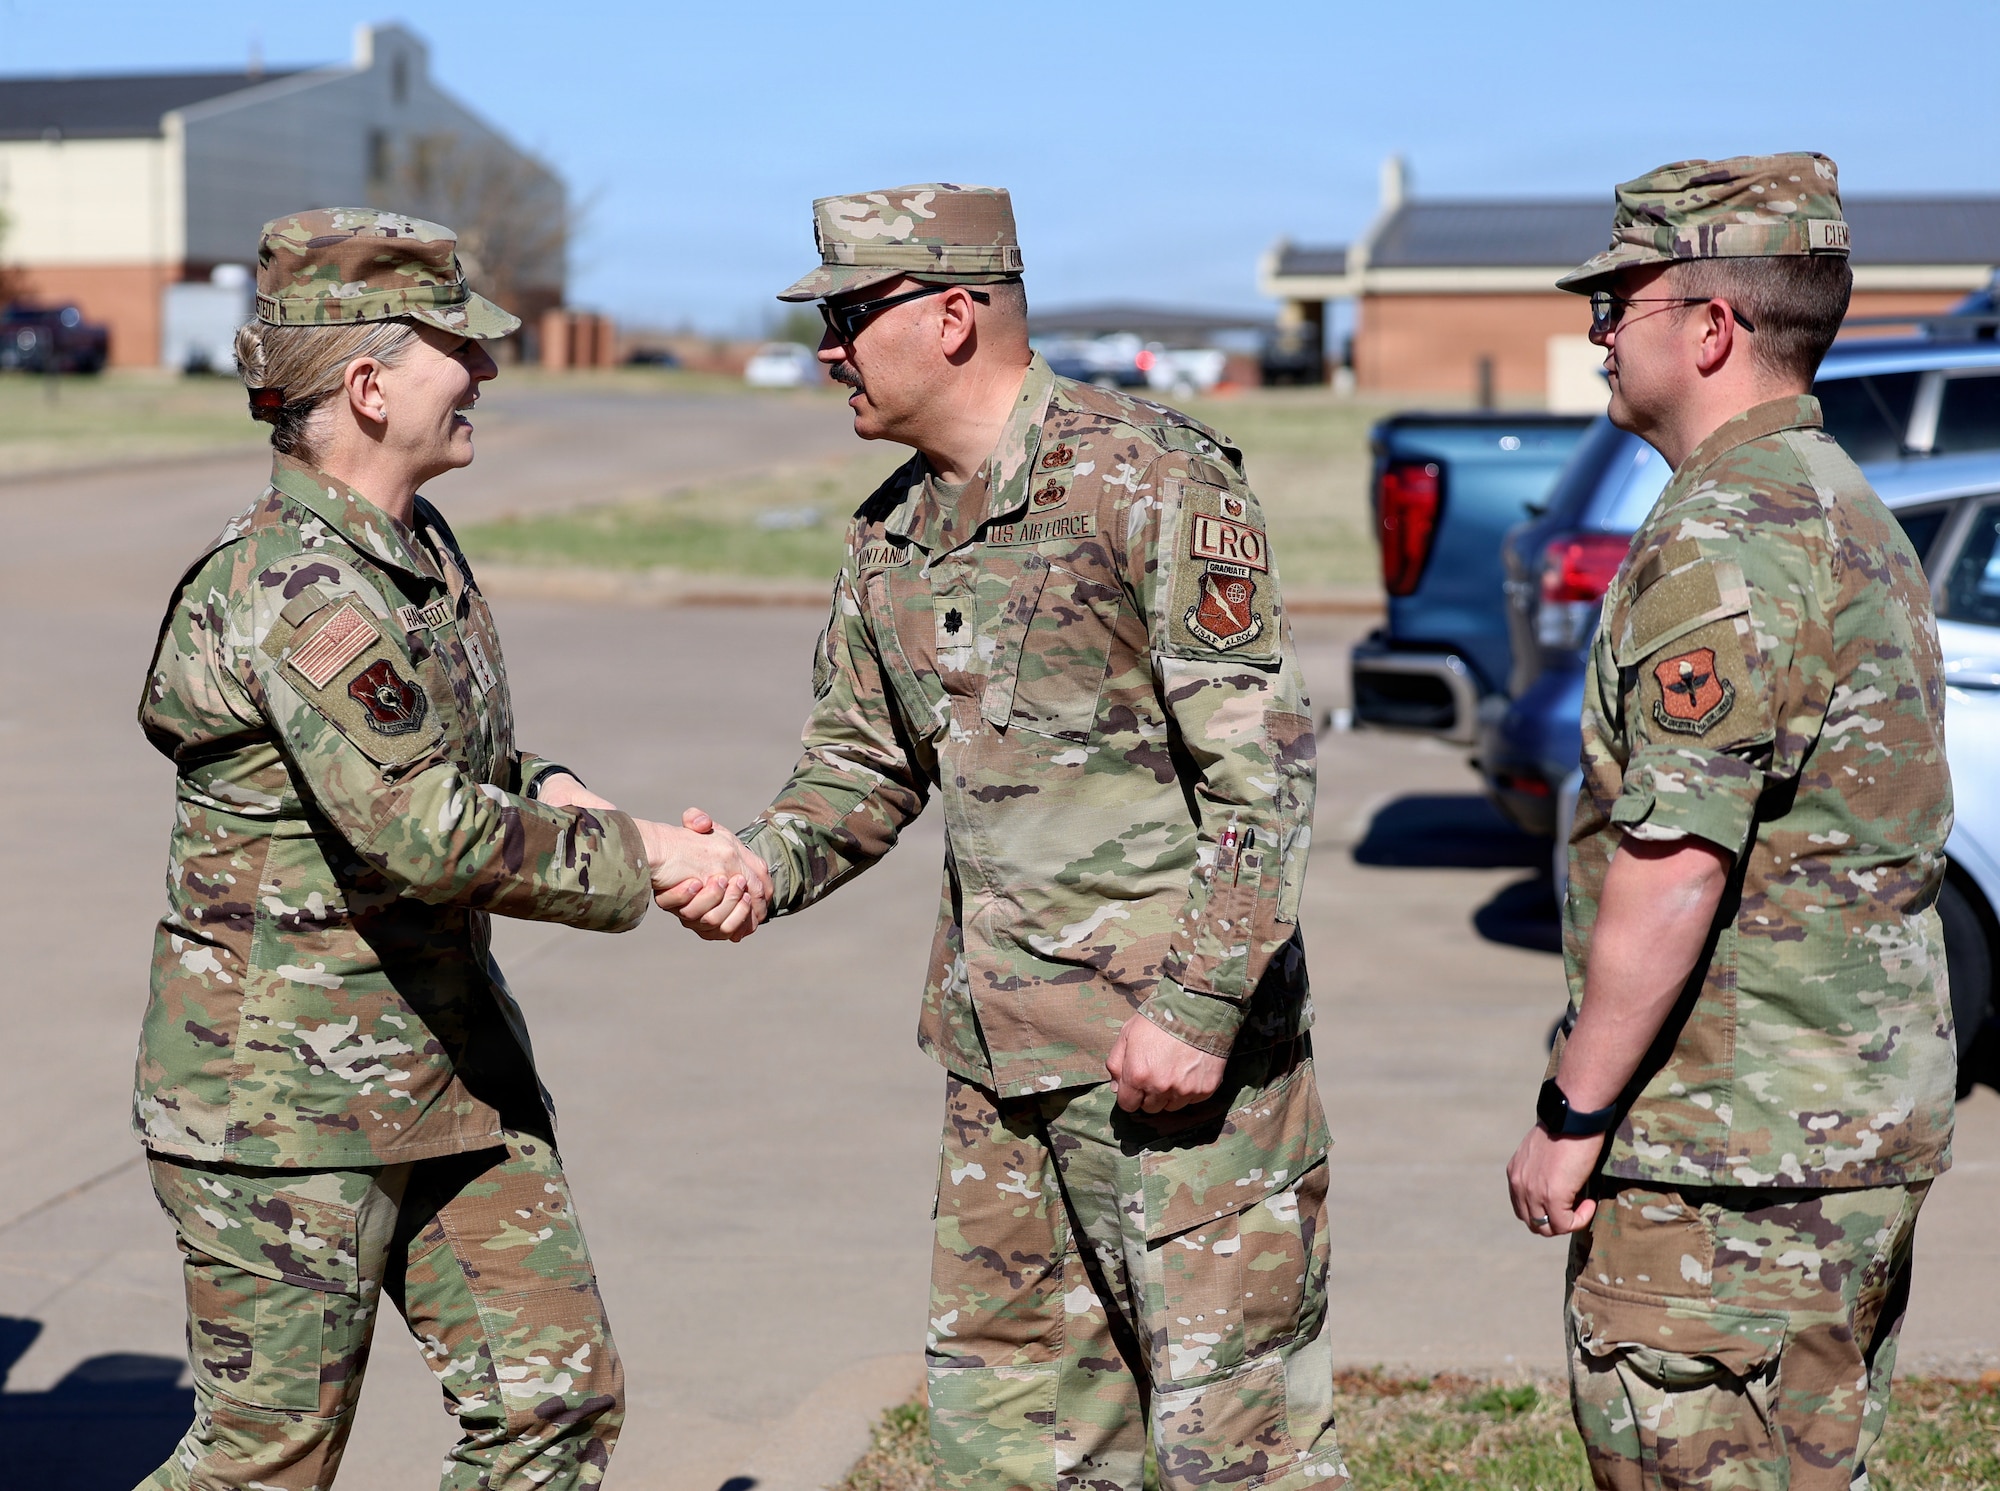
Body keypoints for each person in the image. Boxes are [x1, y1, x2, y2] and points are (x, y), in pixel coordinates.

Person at [661, 184, 1346, 1491]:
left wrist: (1200, 1011)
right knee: (1015, 1444)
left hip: (1175, 1081)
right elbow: (860, 763)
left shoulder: (1149, 478)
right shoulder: (893, 533)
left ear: (955, 315)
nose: (828, 349)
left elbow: (1265, 774)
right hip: (1001, 1084)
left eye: (853, 315)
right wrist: (759, 863)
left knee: (1237, 1450)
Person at [133, 208, 758, 1491]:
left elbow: (448, 761)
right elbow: (422, 829)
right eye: (451, 350)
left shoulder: (408, 546)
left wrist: (559, 786)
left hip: (446, 1072)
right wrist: (649, 857)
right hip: (288, 1109)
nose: (482, 373)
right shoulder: (298, 587)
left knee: (553, 1406)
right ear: (366, 387)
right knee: (266, 1463)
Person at [1504, 155, 1955, 1490]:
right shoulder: (1840, 503)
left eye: (1619, 298)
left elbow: (1679, 863)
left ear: (1709, 327)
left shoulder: (1728, 535)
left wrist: (1571, 1107)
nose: (1595, 328)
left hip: (1731, 1156)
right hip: (1835, 1126)